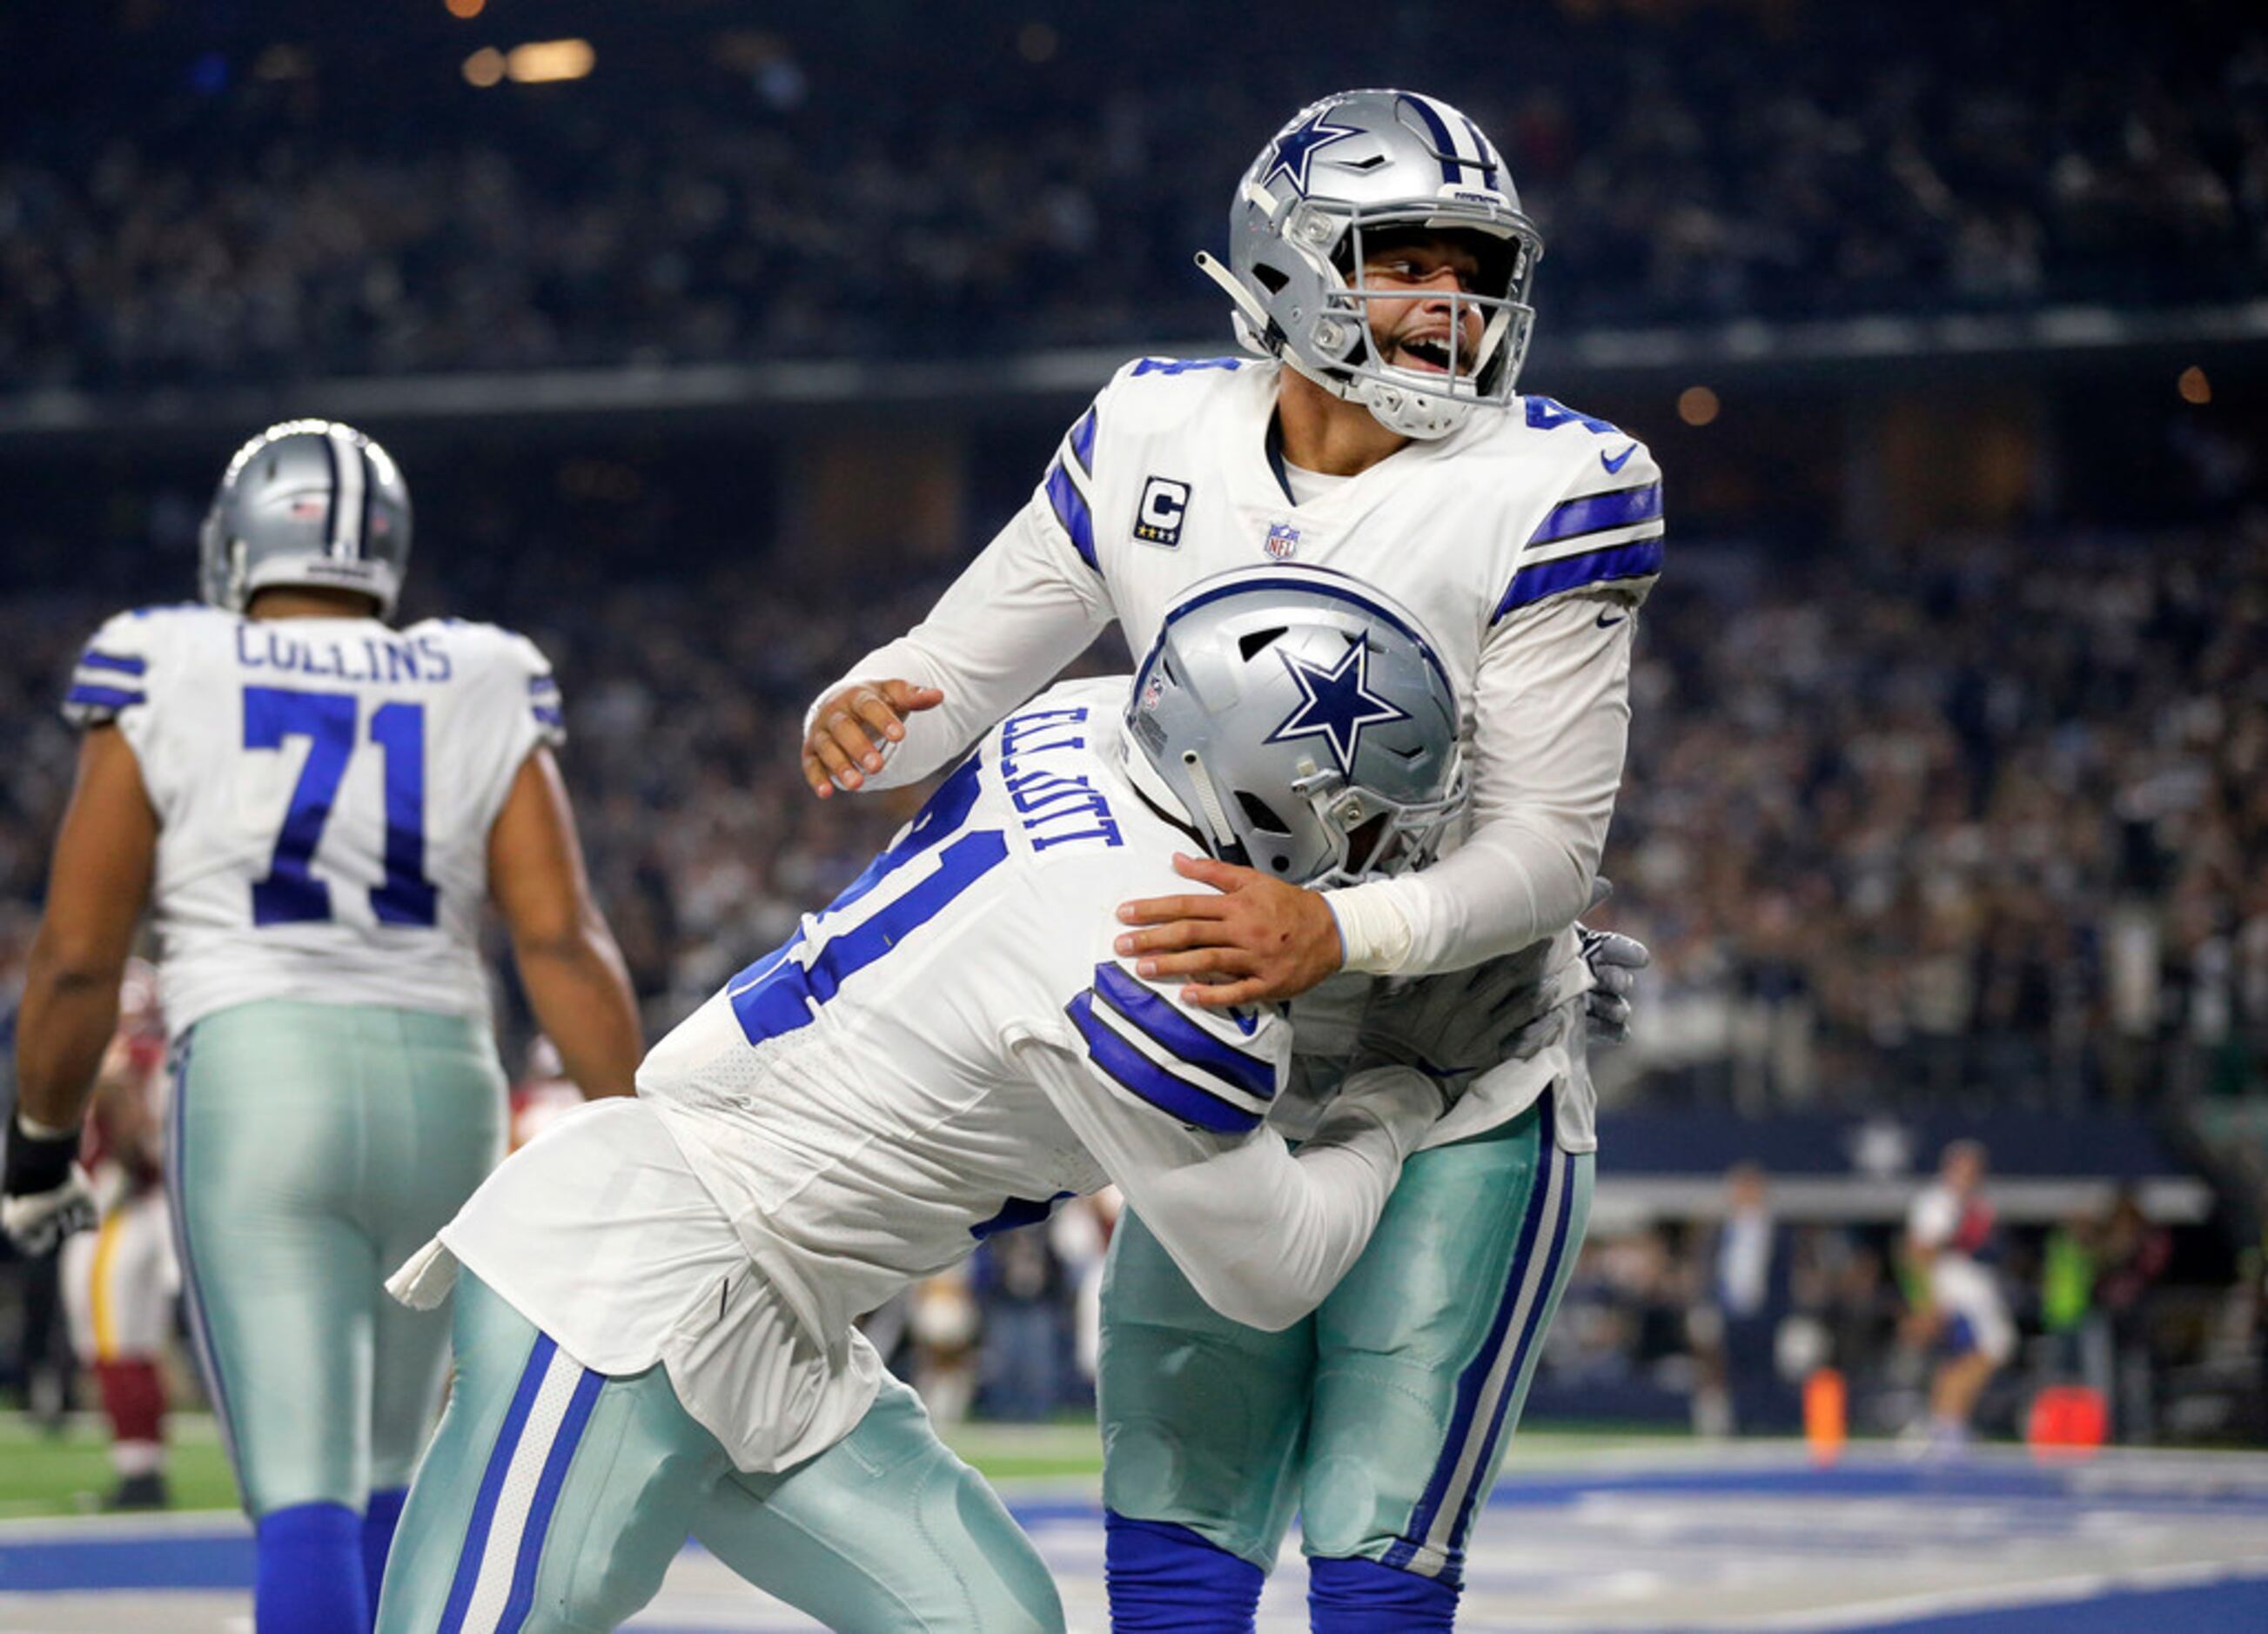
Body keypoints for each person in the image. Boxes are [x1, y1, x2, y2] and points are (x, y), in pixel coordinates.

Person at [799, 88, 1661, 1626]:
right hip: (1214, 1061)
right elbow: (954, 674)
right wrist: (869, 710)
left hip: (1458, 1072)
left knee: (1375, 1571)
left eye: (1474, 264)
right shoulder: (1152, 424)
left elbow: (1548, 853)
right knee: (1175, 1565)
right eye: (1407, 258)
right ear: (1288, 260)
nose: (1452, 300)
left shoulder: (1557, 482)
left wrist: (1339, 933)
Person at [371, 573, 1572, 1633]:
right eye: (1358, 821)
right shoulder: (1153, 968)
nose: (1376, 856)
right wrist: (1404, 1082)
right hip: (642, 1271)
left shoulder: (1084, 717)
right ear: (1265, 795)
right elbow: (1277, 1266)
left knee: (987, 1615)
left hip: (786, 1309)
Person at [1, 420, 642, 1633]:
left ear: (237, 541)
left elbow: (80, 957)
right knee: (399, 1479)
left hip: (259, 1071)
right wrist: (652, 1135)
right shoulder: (478, 672)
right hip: (445, 1080)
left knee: (303, 1497)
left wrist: (39, 1142)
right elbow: (560, 939)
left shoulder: (164, 660)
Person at [55, 957, 178, 1509]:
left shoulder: (127, 1063)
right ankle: (145, 1466)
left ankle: (138, 1471)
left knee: (116, 1348)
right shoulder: (171, 1057)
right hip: (148, 1215)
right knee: (137, 1347)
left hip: (119, 1215)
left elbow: (136, 1148)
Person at [1903, 1139, 2013, 1452]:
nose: (1970, 1174)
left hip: (1976, 1289)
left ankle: (1946, 1422)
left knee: (1961, 1358)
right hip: (1956, 1290)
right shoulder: (1938, 1202)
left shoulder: (1976, 1202)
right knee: (1993, 1348)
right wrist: (1926, 1301)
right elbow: (1919, 1251)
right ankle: (1947, 1424)